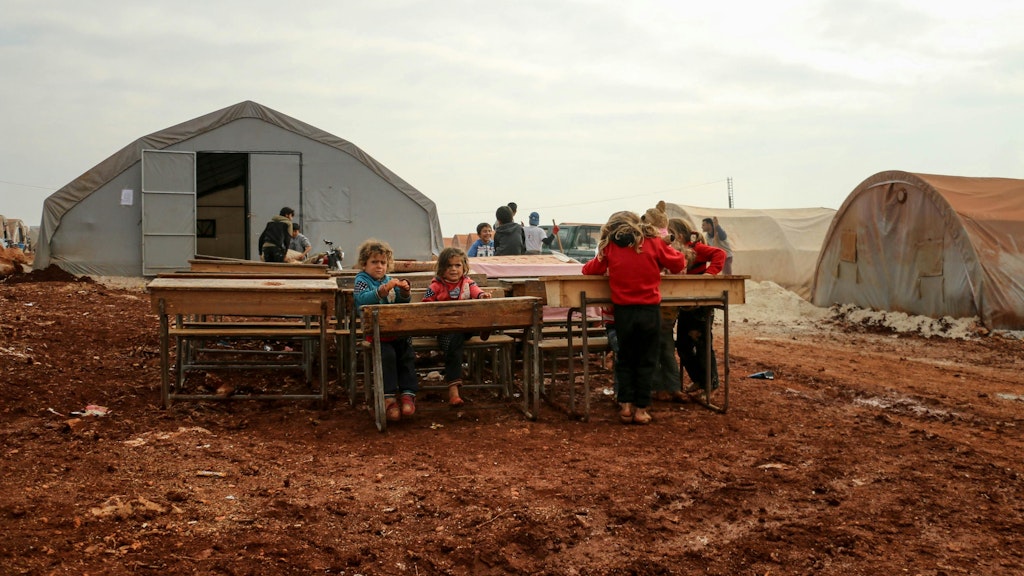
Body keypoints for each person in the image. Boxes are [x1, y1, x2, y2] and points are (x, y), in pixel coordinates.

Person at [581, 211, 686, 425]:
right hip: (649, 309)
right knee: (647, 359)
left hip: (623, 311)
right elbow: (678, 264)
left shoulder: (610, 245)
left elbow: (589, 270)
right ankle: (641, 409)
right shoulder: (653, 242)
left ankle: (626, 406)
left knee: (626, 359)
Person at [353, 238, 417, 422]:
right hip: (376, 334)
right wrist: (381, 291)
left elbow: (400, 304)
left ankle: (408, 393)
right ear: (364, 264)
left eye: (382, 262)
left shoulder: (390, 280)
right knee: (387, 358)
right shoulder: (361, 280)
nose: (379, 266)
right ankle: (388, 398)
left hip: (395, 332)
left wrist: (404, 292)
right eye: (374, 262)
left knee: (407, 355)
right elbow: (362, 300)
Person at [422, 247, 492, 406]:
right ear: (442, 268)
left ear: (464, 267)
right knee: (454, 343)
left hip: (466, 326)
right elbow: (425, 306)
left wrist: (482, 295)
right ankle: (453, 390)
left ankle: (482, 327)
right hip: (445, 329)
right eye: (449, 266)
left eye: (457, 265)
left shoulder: (467, 282)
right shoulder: (436, 286)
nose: (453, 269)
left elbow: (476, 291)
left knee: (475, 314)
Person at [669, 218, 727, 398]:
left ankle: (712, 384)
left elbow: (720, 254)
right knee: (683, 346)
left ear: (677, 235)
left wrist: (709, 275)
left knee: (703, 344)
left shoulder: (696, 249)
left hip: (701, 304)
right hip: (686, 304)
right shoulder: (673, 251)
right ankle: (701, 379)